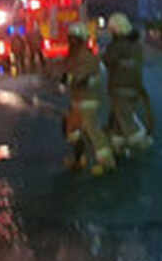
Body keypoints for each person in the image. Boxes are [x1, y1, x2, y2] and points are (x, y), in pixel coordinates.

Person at [62, 22, 116, 175]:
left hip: (87, 100)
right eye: (70, 38)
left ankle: (107, 163)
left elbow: (81, 78)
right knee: (72, 131)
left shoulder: (86, 56)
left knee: (93, 132)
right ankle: (78, 160)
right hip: (77, 100)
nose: (71, 41)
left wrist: (68, 79)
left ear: (80, 39)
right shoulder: (74, 55)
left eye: (74, 38)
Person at [104, 13, 154, 154]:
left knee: (125, 119)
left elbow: (107, 60)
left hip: (119, 86)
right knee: (118, 119)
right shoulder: (136, 46)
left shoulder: (117, 46)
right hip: (134, 86)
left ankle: (140, 140)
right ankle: (117, 145)